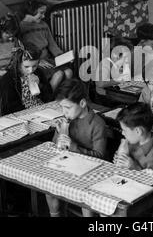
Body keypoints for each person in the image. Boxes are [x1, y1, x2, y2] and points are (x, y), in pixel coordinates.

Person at [46, 79, 107, 217]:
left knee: (84, 197)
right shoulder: (68, 120)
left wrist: (73, 146)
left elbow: (100, 157)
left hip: (91, 172)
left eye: (67, 108)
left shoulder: (97, 124)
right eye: (61, 107)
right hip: (68, 166)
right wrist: (59, 131)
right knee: (49, 186)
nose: (64, 112)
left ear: (82, 103)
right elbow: (57, 148)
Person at [20, 0, 72, 91]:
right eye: (41, 13)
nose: (44, 16)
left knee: (68, 72)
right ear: (32, 11)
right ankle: (49, 99)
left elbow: (52, 45)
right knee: (59, 74)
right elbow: (21, 50)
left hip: (48, 60)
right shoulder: (21, 27)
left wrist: (63, 57)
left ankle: (64, 98)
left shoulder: (43, 25)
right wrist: (38, 60)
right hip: (35, 63)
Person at [114, 102, 153, 178]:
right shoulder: (131, 142)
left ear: (138, 131)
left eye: (125, 130)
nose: (123, 133)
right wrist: (120, 159)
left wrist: (135, 167)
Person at [0, 42, 53, 115]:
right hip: (22, 114)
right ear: (18, 63)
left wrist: (40, 85)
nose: (31, 70)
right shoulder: (8, 79)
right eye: (26, 67)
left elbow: (49, 97)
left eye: (34, 66)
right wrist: (32, 112)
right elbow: (10, 107)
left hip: (41, 109)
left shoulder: (38, 73)